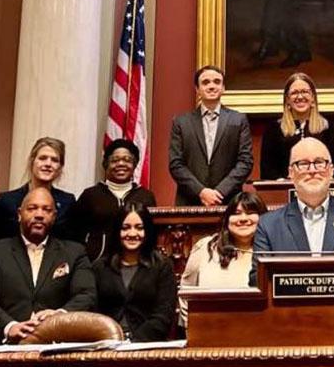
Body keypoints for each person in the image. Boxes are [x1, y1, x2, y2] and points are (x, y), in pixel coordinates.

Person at [0, 188, 96, 344]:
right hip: (4, 348)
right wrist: (9, 326)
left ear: (54, 217)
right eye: (32, 208)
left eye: (47, 210)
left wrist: (61, 316)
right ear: (19, 214)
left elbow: (87, 295)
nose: (39, 215)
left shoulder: (74, 253)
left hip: (58, 347)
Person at [251, 138, 334, 284]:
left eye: (319, 162)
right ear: (291, 173)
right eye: (303, 164)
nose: (312, 170)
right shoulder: (268, 225)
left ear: (331, 171)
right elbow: (258, 280)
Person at [168, 65, 254, 207]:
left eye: (217, 81)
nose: (212, 86)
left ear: (223, 87)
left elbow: (245, 162)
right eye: (206, 82)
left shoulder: (238, 120)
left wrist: (220, 192)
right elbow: (176, 164)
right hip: (190, 202)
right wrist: (201, 192)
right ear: (197, 89)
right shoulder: (181, 122)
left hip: (229, 202)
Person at [178, 191, 268, 326]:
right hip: (208, 333)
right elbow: (185, 294)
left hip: (258, 332)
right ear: (227, 219)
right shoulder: (205, 247)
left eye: (250, 213)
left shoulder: (273, 250)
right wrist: (193, 329)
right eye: (236, 213)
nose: (243, 218)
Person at [93, 203, 177, 342]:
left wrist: (133, 341)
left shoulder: (162, 266)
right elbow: (92, 313)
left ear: (148, 231)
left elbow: (163, 316)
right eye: (125, 228)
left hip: (147, 347)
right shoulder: (100, 267)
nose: (132, 234)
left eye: (139, 228)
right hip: (105, 345)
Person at [70, 139, 157, 260]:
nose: (121, 164)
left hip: (137, 266)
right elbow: (75, 235)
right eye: (115, 160)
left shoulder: (146, 196)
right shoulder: (90, 195)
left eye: (127, 160)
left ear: (135, 164)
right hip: (96, 267)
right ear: (106, 164)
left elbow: (152, 234)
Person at [0, 137, 78, 244]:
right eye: (42, 158)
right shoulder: (6, 201)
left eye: (54, 160)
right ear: (32, 161)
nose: (48, 164)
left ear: (60, 167)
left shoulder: (68, 202)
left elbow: (73, 245)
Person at [259, 72, 334, 179]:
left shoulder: (329, 129)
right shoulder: (273, 130)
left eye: (305, 92)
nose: (300, 96)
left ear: (313, 98)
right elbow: (267, 171)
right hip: (284, 190)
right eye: (294, 93)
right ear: (287, 100)